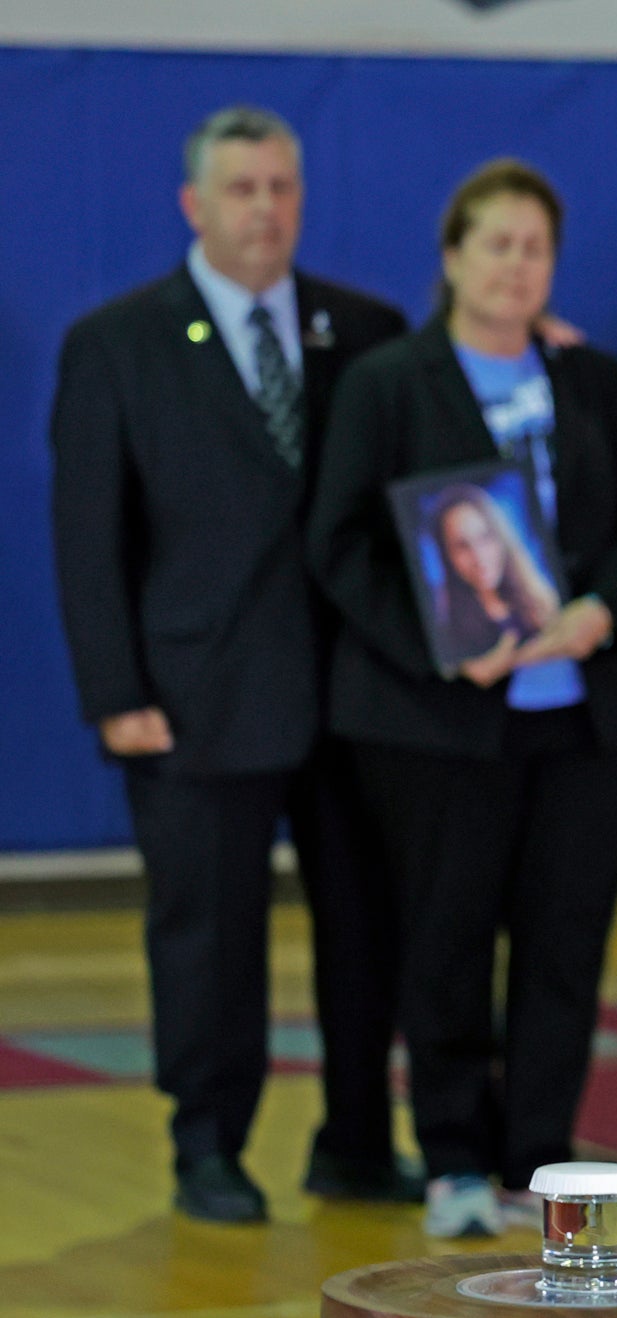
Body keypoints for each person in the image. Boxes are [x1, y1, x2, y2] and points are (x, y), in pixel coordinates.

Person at [48, 105, 412, 1224]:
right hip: (196, 698)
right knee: (208, 935)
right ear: (193, 205)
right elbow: (88, 535)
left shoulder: (365, 330)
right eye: (242, 189)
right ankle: (207, 1142)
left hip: (355, 696)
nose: (264, 209)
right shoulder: (119, 341)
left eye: (281, 188)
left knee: (368, 923)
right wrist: (115, 694)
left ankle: (356, 1137)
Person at [308, 159, 617, 1236]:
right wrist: (440, 648)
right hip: (441, 723)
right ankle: (455, 1162)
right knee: (447, 939)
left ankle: (539, 1165)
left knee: (566, 944)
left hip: (588, 716)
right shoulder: (388, 382)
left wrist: (603, 608)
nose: (517, 266)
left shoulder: (589, 381)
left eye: (535, 247)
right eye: (497, 244)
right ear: (453, 257)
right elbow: (337, 544)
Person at [428, 484, 560, 662]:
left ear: (501, 538)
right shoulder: (447, 629)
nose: (478, 556)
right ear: (447, 556)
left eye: (485, 538)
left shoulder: (542, 600)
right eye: (462, 546)